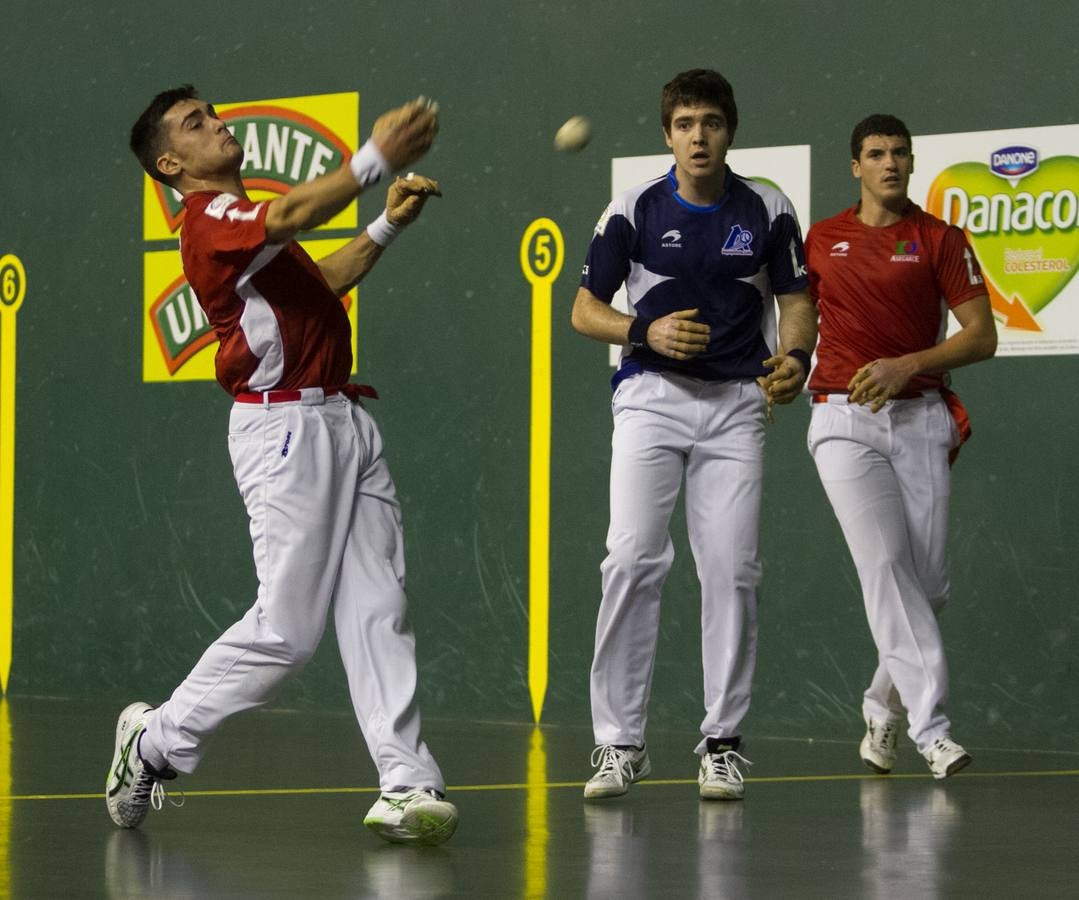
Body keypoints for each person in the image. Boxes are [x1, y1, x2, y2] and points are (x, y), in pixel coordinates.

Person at [108, 85, 458, 845]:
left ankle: (405, 782)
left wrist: (387, 225)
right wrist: (373, 157)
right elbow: (294, 213)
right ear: (170, 164)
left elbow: (321, 284)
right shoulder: (210, 222)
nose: (217, 124)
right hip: (284, 430)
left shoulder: (243, 225)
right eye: (196, 124)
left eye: (213, 112)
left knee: (379, 606)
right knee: (287, 632)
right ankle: (155, 741)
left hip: (343, 418)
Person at [570, 68, 817, 802]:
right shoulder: (633, 207)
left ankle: (722, 743)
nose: (698, 136)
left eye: (710, 122)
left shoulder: (767, 207)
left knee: (733, 570)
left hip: (737, 403)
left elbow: (795, 301)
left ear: (729, 131)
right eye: (684, 125)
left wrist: (796, 358)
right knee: (630, 559)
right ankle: (619, 742)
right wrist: (641, 329)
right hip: (651, 398)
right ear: (667, 135)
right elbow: (584, 310)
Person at [804, 114, 997, 779]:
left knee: (927, 586)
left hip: (919, 417)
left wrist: (906, 365)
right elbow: (796, 316)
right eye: (876, 153)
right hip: (842, 418)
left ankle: (880, 707)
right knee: (885, 567)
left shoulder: (939, 239)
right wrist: (786, 362)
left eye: (899, 153)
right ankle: (931, 730)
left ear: (911, 163)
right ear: (855, 166)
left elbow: (980, 335)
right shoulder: (821, 239)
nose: (889, 163)